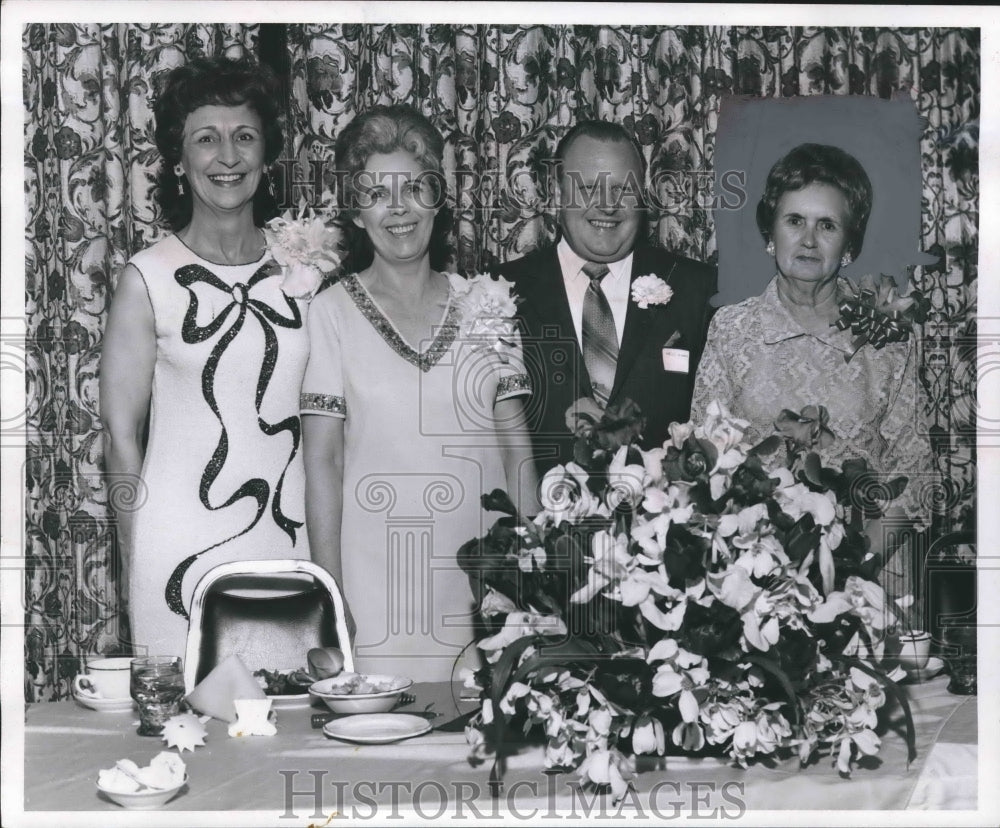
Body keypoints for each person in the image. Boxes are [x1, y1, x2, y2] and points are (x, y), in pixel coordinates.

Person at [301, 104, 538, 682]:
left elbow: (518, 452)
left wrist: (537, 581)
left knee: (479, 753)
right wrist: (331, 600)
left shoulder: (488, 303)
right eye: (377, 193)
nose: (399, 208)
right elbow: (323, 464)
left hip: (481, 582)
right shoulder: (330, 313)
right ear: (356, 212)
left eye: (414, 188)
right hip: (374, 579)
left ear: (438, 197)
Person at [100, 56, 310, 657]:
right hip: (175, 546)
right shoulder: (147, 278)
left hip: (290, 539)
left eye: (245, 137)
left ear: (266, 156)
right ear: (178, 159)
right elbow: (119, 436)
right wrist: (137, 551)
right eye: (206, 139)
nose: (228, 156)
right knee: (191, 733)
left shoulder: (306, 268)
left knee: (291, 727)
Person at [691, 143, 934, 611]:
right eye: (794, 220)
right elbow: (706, 464)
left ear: (848, 247)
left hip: (870, 575)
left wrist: (850, 565)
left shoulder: (887, 339)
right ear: (770, 233)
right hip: (754, 577)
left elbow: (916, 473)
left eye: (827, 225)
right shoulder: (731, 330)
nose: (808, 240)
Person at [498, 120, 717, 477]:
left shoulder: (698, 289)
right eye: (586, 188)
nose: (607, 206)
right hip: (536, 521)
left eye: (623, 189)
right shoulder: (500, 290)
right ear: (555, 194)